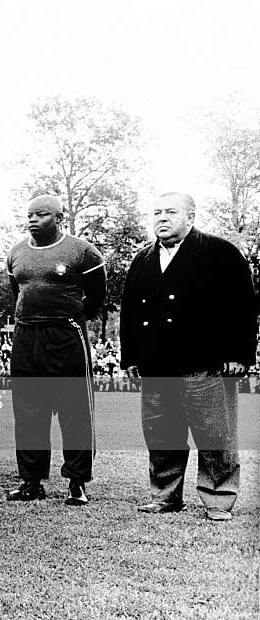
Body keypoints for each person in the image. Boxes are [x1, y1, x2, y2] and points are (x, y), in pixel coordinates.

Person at [121, 192, 258, 521]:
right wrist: (131, 358)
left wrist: (240, 354)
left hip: (204, 361)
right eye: (157, 212)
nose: (162, 218)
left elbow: (243, 308)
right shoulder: (142, 260)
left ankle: (219, 499)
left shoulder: (220, 253)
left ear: (191, 217)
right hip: (156, 363)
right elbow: (128, 313)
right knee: (160, 432)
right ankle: (166, 496)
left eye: (171, 211)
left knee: (214, 432)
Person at [5, 195, 105, 505]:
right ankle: (31, 482)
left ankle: (77, 483)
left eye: (42, 214)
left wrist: (65, 320)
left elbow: (97, 298)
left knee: (74, 411)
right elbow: (17, 292)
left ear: (59, 217)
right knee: (28, 412)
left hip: (65, 336)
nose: (33, 219)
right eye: (30, 214)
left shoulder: (82, 251)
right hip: (26, 336)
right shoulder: (16, 253)